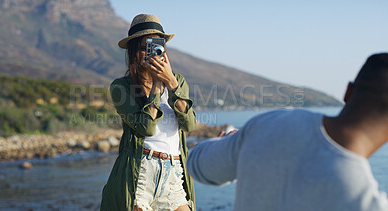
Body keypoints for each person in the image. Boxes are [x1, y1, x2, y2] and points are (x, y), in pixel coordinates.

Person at [186, 53, 388, 211]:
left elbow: (197, 165)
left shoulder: (271, 123)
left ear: (347, 92)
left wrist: (234, 144)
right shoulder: (368, 203)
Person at [101, 14, 196, 211]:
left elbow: (189, 125)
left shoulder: (178, 81)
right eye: (145, 47)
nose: (151, 53)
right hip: (141, 173)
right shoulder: (121, 87)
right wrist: (156, 85)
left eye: (156, 46)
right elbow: (146, 127)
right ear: (134, 51)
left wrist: (171, 83)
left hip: (173, 172)